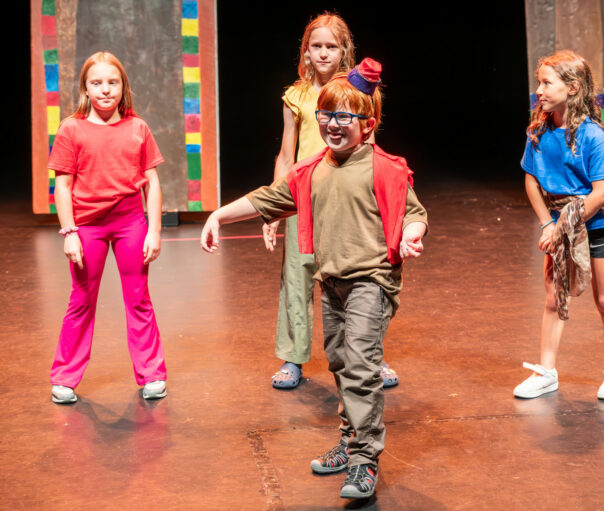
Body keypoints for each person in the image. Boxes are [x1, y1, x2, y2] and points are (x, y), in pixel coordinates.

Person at [201, 59, 427, 499]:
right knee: (340, 363)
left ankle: (364, 460)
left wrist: (411, 235)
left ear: (368, 124)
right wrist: (218, 216)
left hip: (371, 282)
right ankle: (349, 439)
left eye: (344, 116)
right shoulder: (311, 171)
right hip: (333, 284)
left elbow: (414, 213)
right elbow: (268, 199)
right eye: (325, 115)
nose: (332, 124)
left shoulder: (384, 168)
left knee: (360, 366)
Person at [263, 13, 399, 389]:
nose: (323, 53)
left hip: (347, 198)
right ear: (306, 51)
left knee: (358, 279)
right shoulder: (296, 96)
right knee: (297, 276)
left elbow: (369, 148)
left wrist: (376, 198)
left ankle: (370, 354)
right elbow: (285, 156)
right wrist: (274, 208)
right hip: (303, 196)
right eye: (316, 46)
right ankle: (293, 356)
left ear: (344, 51)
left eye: (331, 46)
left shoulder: (357, 92)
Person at [49, 52, 167, 404]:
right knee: (81, 299)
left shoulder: (137, 127)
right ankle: (64, 377)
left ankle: (152, 373)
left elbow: (152, 183)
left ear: (123, 87)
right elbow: (63, 186)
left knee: (139, 297)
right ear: (85, 88)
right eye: (97, 83)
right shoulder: (71, 129)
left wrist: (154, 230)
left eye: (112, 83)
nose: (105, 90)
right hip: (87, 225)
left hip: (130, 222)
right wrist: (70, 232)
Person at [515, 50, 604, 401]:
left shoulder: (591, 135)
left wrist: (563, 224)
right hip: (557, 225)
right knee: (554, 298)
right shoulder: (539, 132)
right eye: (539, 83)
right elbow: (531, 180)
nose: (539, 90)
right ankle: (547, 372)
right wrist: (547, 224)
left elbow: (602, 191)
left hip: (594, 225)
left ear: (573, 88)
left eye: (547, 83)